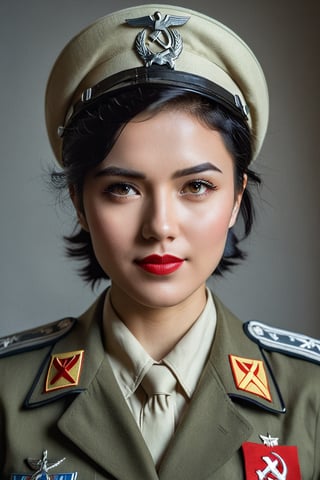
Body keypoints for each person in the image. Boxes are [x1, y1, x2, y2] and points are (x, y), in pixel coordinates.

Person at [0, 4, 319, 479]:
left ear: (235, 199)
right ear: (80, 203)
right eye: (122, 188)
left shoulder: (309, 393)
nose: (160, 227)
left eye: (196, 186)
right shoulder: (6, 391)